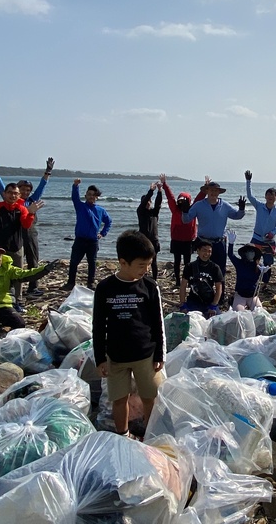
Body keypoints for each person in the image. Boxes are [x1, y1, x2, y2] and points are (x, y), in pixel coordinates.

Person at [92, 231, 166, 439]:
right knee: (119, 399)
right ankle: (123, 434)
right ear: (123, 262)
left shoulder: (150, 286)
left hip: (146, 355)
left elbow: (158, 322)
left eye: (149, 264)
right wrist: (100, 358)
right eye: (141, 265)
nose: (146, 269)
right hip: (116, 356)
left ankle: (150, 434)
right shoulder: (105, 288)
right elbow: (98, 325)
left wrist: (160, 355)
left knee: (150, 397)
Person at [0, 157, 54, 297]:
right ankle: (7, 291)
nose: (25, 192)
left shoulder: (31, 201)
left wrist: (48, 171)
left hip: (30, 233)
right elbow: (0, 185)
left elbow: (42, 186)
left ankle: (32, 288)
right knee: (14, 263)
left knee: (33, 260)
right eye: (22, 189)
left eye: (28, 190)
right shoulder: (10, 199)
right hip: (15, 235)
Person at [0, 180, 44, 311]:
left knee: (17, 276)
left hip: (17, 247)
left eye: (15, 193)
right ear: (5, 193)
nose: (12, 196)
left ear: (19, 195)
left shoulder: (21, 209)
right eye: (10, 193)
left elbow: (26, 225)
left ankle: (18, 302)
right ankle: (0, 301)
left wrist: (31, 213)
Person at [181, 180, 245, 274]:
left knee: (220, 271)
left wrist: (242, 209)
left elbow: (237, 216)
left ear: (219, 192)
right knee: (203, 271)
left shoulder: (225, 205)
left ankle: (220, 289)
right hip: (203, 242)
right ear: (207, 191)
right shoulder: (199, 205)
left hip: (219, 243)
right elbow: (186, 220)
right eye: (211, 190)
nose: (213, 193)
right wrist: (185, 211)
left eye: (216, 191)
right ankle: (203, 288)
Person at [63, 179, 113, 291]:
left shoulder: (100, 210)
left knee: (92, 263)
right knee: (74, 262)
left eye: (93, 195)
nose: (91, 197)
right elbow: (74, 197)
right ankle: (70, 283)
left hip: (93, 241)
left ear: (97, 197)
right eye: (89, 194)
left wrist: (102, 233)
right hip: (80, 240)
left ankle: (90, 283)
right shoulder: (80, 206)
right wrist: (75, 186)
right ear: (85, 196)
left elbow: (109, 222)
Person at [159, 173, 203, 283]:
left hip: (188, 241)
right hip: (177, 240)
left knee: (187, 262)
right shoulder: (175, 209)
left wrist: (205, 189)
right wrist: (164, 184)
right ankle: (178, 281)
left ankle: (186, 280)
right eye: (180, 201)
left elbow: (198, 199)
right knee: (177, 261)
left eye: (184, 201)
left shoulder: (193, 209)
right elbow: (170, 197)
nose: (181, 203)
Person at [244, 170, 276, 286]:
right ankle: (252, 280)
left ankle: (265, 283)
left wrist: (273, 232)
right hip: (256, 239)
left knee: (268, 263)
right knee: (252, 259)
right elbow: (250, 196)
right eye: (268, 194)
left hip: (269, 241)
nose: (270, 197)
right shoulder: (259, 206)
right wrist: (248, 181)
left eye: (273, 195)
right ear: (265, 196)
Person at [179, 239, 224, 317]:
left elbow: (219, 288)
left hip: (209, 301)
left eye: (209, 251)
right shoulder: (190, 266)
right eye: (204, 250)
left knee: (219, 323)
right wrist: (183, 304)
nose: (207, 253)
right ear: (198, 251)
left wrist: (214, 305)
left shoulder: (215, 267)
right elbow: (183, 286)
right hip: (193, 301)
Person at [225, 230, 267, 311]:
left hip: (253, 296)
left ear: (255, 253)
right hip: (240, 295)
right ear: (244, 253)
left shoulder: (258, 265)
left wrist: (265, 272)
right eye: (248, 251)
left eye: (252, 251)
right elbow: (231, 255)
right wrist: (231, 243)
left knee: (260, 314)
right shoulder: (239, 263)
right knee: (239, 314)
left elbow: (265, 279)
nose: (250, 253)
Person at [136, 182, 164, 280]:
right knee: (143, 260)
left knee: (154, 261)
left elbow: (158, 204)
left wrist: (160, 191)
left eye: (149, 201)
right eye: (146, 201)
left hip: (154, 240)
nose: (148, 203)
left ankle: (155, 279)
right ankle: (142, 277)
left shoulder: (154, 213)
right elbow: (144, 203)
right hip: (143, 240)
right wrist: (151, 190)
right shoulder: (140, 211)